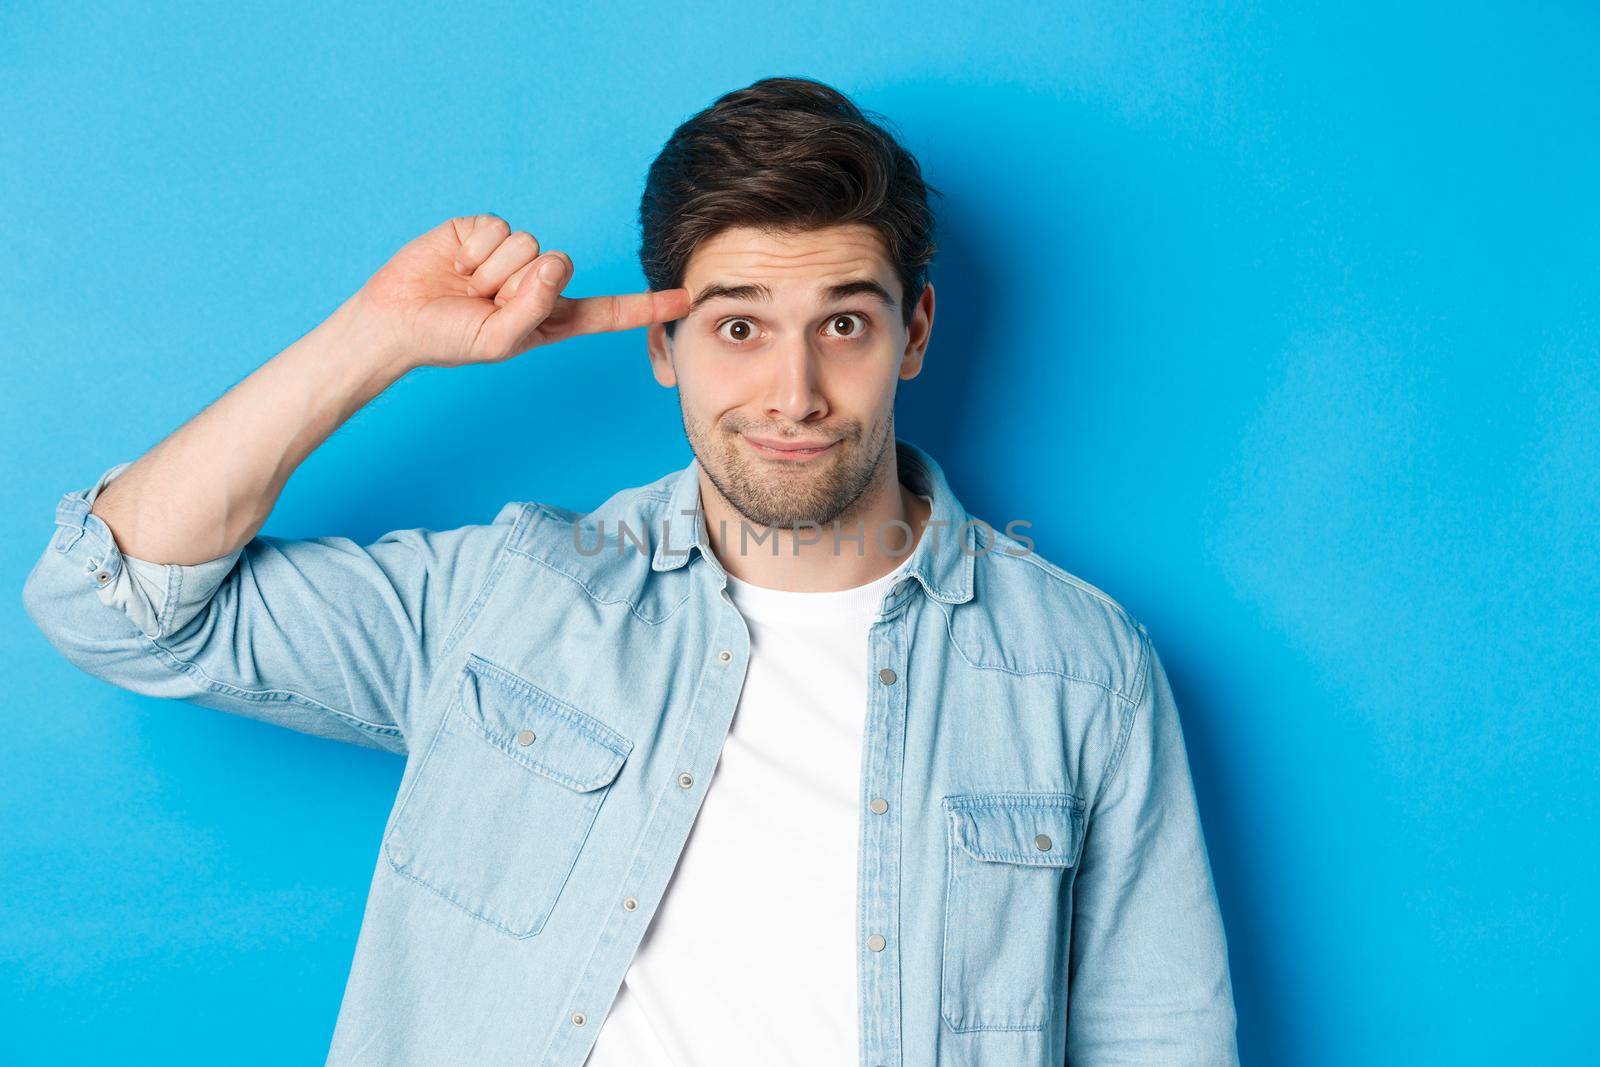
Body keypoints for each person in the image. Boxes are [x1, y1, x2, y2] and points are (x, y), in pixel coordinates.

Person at [22, 76, 1237, 1066]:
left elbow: (1161, 1038)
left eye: (845, 324)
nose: (794, 392)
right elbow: (113, 597)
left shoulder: (1082, 673)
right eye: (739, 325)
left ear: (914, 332)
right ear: (666, 343)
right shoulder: (511, 597)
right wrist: (378, 337)